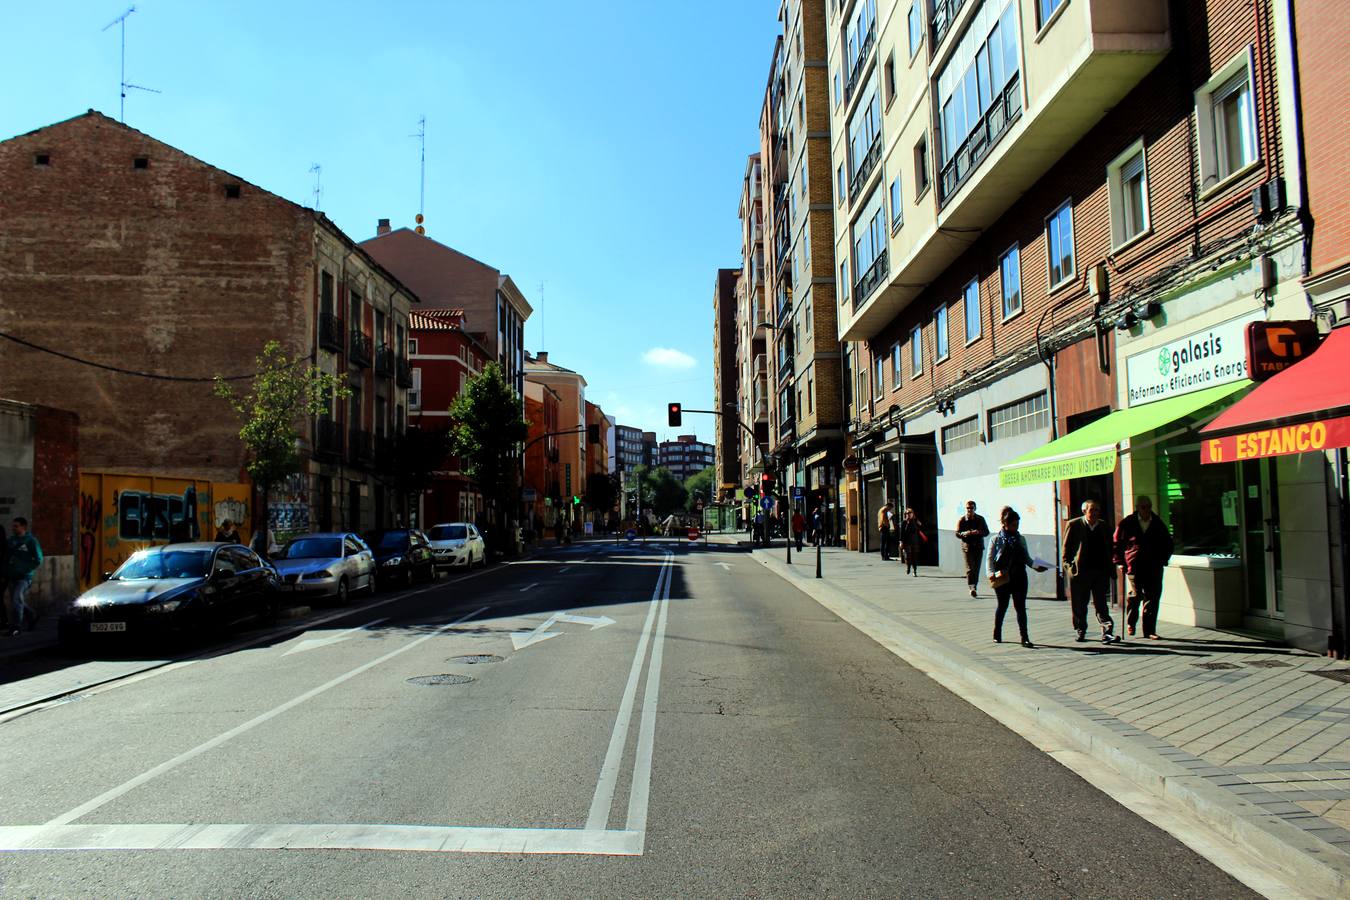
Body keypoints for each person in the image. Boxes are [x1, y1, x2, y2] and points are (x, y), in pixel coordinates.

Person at [1114, 495, 1174, 639]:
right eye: (1143, 507)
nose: (1147, 510)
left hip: (1154, 566)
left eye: (1149, 507)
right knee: (1136, 595)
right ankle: (1131, 622)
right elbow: (1117, 543)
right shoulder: (1127, 523)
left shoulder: (1158, 523)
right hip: (1134, 565)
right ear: (1137, 508)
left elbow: (1168, 543)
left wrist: (1164, 560)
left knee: (1152, 597)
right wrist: (1120, 562)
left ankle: (1149, 630)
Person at [988, 507, 1045, 648]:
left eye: (1017, 524)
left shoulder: (1021, 539)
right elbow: (989, 559)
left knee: (1020, 607)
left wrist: (1037, 566)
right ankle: (997, 632)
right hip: (1003, 577)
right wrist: (991, 575)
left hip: (1019, 576)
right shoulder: (995, 539)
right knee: (1002, 606)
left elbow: (1027, 558)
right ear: (1005, 524)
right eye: (1014, 524)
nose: (1016, 527)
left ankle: (1024, 637)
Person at [1062, 500, 1117, 643]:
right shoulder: (1074, 525)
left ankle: (1107, 631)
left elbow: (1110, 548)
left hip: (1100, 571)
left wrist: (1112, 566)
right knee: (1080, 603)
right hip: (1081, 572)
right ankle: (1081, 630)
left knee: (1101, 604)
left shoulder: (1104, 526)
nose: (1094, 513)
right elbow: (1066, 549)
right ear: (1084, 511)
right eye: (1092, 510)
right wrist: (1069, 567)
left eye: (1097, 510)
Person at [4, 517, 44, 637]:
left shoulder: (31, 541)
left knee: (16, 599)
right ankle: (32, 615)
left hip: (24, 577)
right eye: (13, 526)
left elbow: (38, 559)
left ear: (23, 527)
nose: (13, 528)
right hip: (12, 576)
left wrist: (25, 569)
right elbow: (6, 557)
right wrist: (5, 571)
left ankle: (16, 627)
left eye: (16, 526)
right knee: (17, 601)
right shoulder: (11, 541)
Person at [956, 500, 990, 598]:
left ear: (975, 509)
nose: (969, 510)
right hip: (967, 547)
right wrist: (964, 533)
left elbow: (986, 532)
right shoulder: (962, 520)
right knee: (970, 568)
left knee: (976, 568)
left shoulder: (980, 519)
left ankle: (975, 585)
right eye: (968, 508)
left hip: (978, 546)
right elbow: (957, 533)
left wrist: (978, 532)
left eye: (971, 508)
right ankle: (972, 587)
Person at [899, 507, 924, 576]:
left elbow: (921, 528)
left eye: (910, 513)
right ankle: (908, 567)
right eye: (907, 513)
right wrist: (901, 542)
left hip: (915, 541)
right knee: (908, 557)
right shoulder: (904, 522)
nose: (908, 514)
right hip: (907, 542)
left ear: (913, 514)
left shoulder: (916, 521)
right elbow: (902, 533)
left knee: (915, 557)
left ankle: (915, 571)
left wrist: (919, 524)